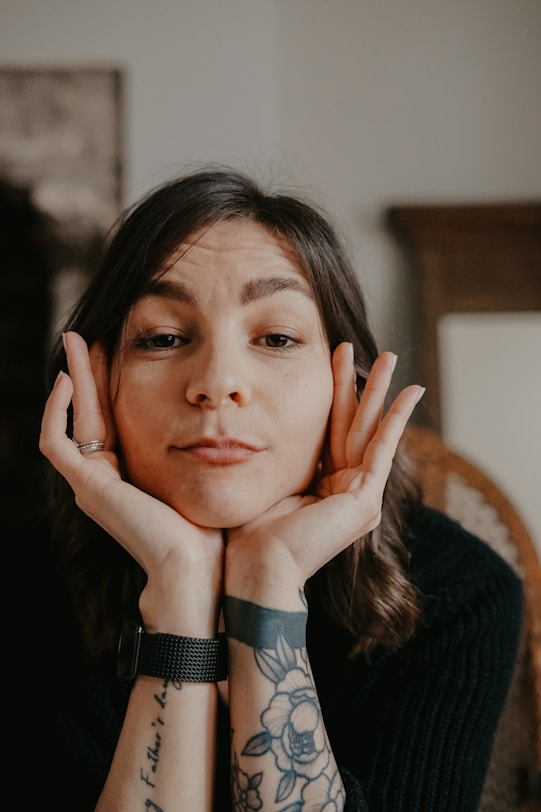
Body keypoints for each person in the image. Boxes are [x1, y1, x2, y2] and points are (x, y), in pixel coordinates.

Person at [21, 166, 522, 811]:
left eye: (277, 337)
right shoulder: (22, 588)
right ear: (96, 376)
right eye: (164, 337)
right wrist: (178, 584)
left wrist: (268, 584)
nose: (218, 382)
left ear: (348, 387)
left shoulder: (457, 592)